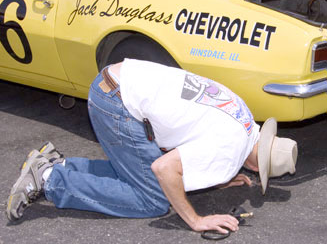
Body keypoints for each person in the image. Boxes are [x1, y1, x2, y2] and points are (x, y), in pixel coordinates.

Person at [7, 59, 298, 234]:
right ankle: (49, 180)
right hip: (117, 103)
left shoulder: (245, 117)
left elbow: (200, 134)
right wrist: (196, 220)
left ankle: (62, 165)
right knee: (153, 200)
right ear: (257, 167)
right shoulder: (229, 152)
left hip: (119, 78)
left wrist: (219, 176)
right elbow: (164, 168)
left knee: (137, 172)